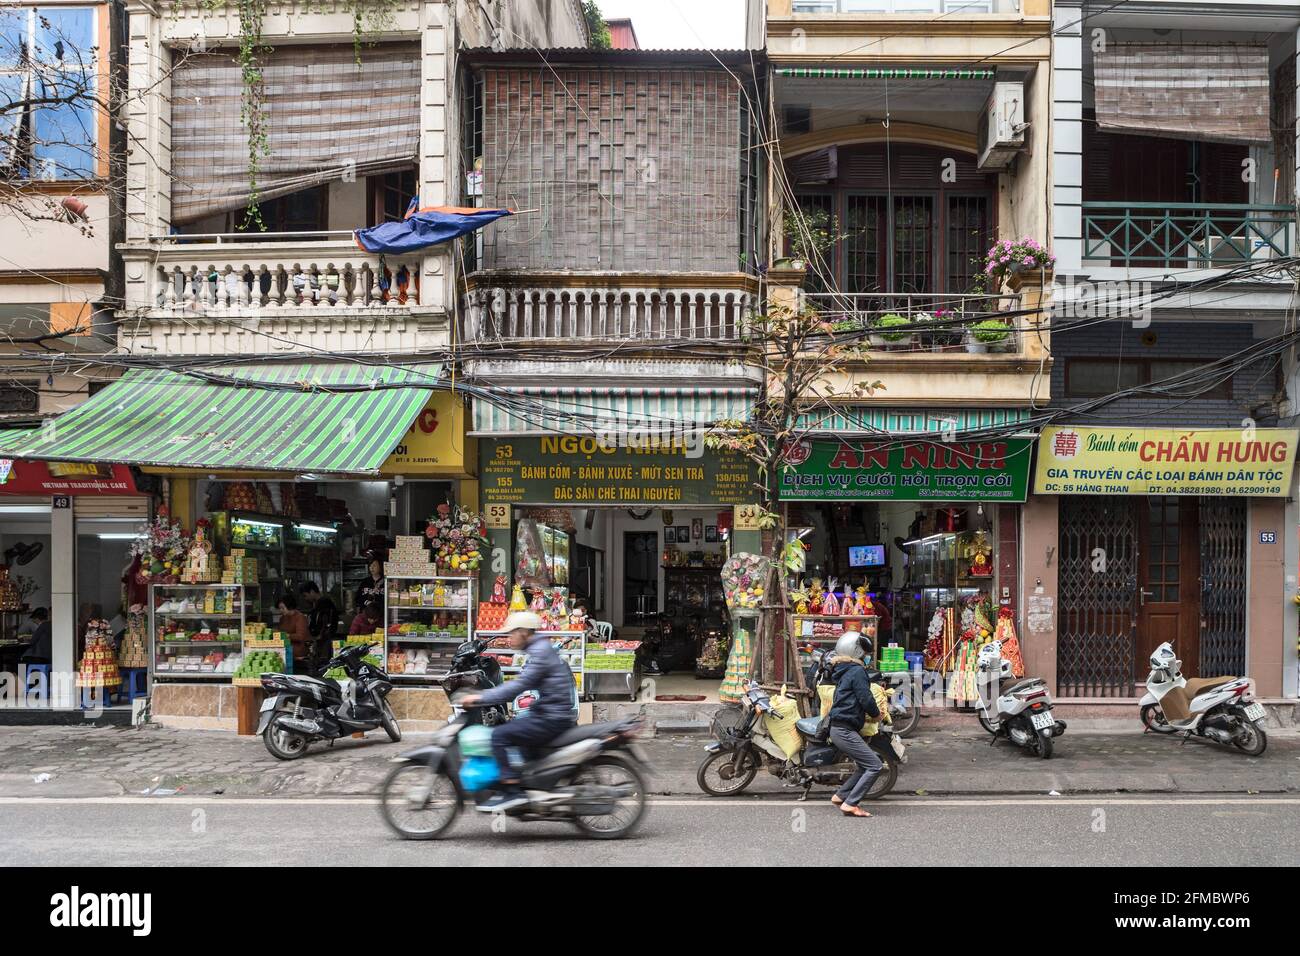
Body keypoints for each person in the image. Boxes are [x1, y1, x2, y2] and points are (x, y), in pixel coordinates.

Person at [460, 610, 577, 812]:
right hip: (549, 711)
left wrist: (481, 698)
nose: (510, 637)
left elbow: (518, 687)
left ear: (524, 632)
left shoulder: (540, 652)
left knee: (499, 735)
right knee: (517, 734)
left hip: (552, 716)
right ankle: (532, 785)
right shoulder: (539, 648)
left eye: (513, 633)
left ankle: (512, 791)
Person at [827, 630, 883, 819]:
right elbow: (865, 698)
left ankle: (840, 795)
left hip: (840, 728)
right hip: (844, 729)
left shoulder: (843, 670)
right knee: (875, 765)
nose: (867, 658)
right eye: (865, 654)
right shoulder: (857, 671)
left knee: (863, 765)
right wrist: (876, 715)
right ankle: (851, 804)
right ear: (857, 652)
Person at [299, 581, 339, 672]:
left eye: (306, 595)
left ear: (312, 591)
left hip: (324, 640)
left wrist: (319, 636)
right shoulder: (317, 604)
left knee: (323, 664)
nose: (306, 598)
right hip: (321, 640)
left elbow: (325, 622)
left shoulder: (324, 604)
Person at [277, 593, 313, 675]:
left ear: (290, 606)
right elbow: (279, 631)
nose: (281, 610)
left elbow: (301, 637)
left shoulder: (300, 618)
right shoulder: (283, 618)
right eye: (280, 608)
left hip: (297, 650)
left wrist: (286, 635)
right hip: (284, 648)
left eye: (283, 608)